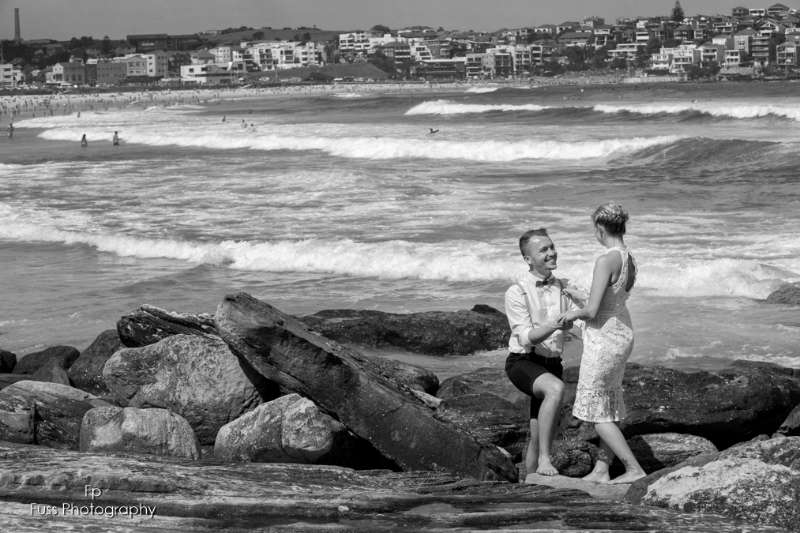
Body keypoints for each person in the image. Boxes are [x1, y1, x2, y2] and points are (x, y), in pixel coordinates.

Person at [558, 204, 646, 484]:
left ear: (599, 229)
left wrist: (569, 313)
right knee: (608, 404)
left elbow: (592, 311)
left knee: (597, 414)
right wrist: (577, 294)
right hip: (622, 332)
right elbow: (610, 301)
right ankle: (601, 468)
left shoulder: (605, 259)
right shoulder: (629, 257)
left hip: (604, 339)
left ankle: (633, 469)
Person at [504, 228, 577, 478]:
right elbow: (526, 337)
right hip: (523, 361)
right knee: (556, 388)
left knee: (538, 434)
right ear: (528, 259)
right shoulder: (516, 292)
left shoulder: (565, 287)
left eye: (552, 247)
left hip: (553, 362)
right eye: (543, 250)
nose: (551, 253)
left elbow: (581, 318)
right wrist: (556, 324)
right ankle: (546, 460)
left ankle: (529, 483)